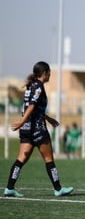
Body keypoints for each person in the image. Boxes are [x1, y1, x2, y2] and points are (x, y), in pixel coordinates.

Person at [4, 61, 74, 197]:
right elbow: (31, 106)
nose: (50, 76)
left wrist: (48, 119)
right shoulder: (38, 87)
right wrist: (21, 121)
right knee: (49, 159)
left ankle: (9, 188)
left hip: (26, 129)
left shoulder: (31, 86)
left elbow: (35, 108)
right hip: (37, 128)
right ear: (44, 73)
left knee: (21, 159)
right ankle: (58, 189)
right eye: (49, 73)